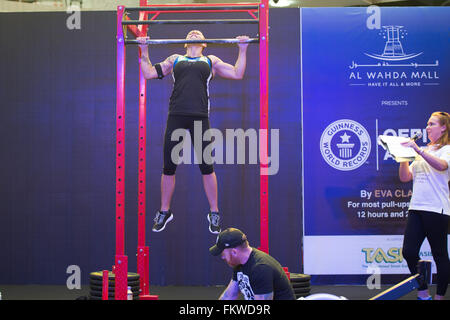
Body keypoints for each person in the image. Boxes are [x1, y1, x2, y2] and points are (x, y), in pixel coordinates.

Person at [137, 30, 250, 234]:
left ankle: (214, 212)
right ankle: (164, 211)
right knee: (169, 166)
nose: (194, 33)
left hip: (199, 117)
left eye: (198, 33)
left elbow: (237, 73)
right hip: (176, 116)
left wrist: (242, 49)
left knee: (206, 166)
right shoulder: (175, 59)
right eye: (190, 32)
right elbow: (148, 73)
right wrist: (143, 49)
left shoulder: (210, 61)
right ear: (184, 42)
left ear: (205, 43)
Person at [399, 111, 450, 300]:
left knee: (440, 254)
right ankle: (423, 292)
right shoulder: (423, 151)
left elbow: (442, 166)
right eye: (427, 124)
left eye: (432, 124)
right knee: (409, 251)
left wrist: (418, 151)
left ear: (443, 127)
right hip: (416, 208)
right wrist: (402, 156)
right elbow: (405, 177)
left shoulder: (447, 149)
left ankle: (440, 296)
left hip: (437, 209)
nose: (428, 127)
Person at [209, 228, 296, 300]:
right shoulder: (239, 264)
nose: (222, 257)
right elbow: (229, 296)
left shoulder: (261, 268)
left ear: (234, 252)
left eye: (223, 253)